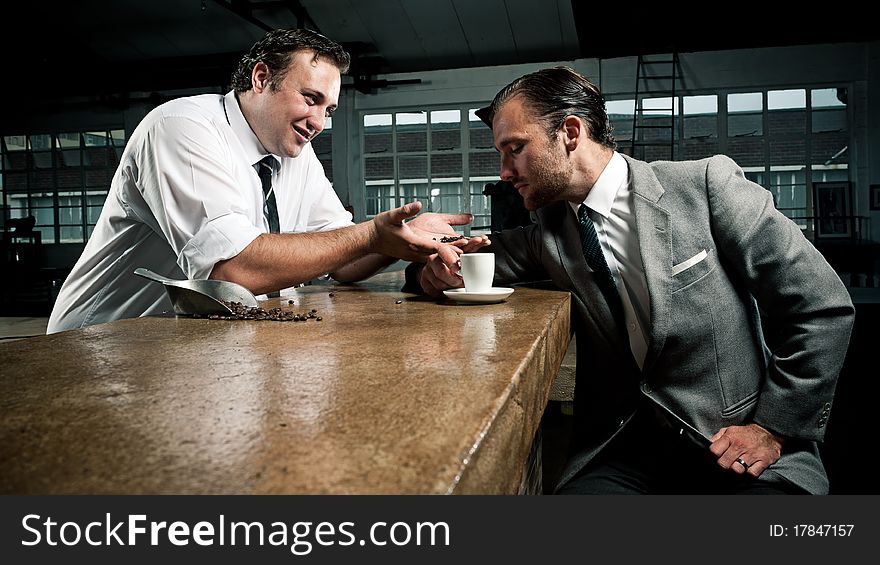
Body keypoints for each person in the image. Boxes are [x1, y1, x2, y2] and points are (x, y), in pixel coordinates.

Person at [410, 66, 855, 494]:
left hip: (736, 442)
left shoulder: (706, 187)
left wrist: (772, 427)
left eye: (514, 149)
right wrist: (428, 267)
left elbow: (821, 306)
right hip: (621, 450)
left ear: (569, 133)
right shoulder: (550, 230)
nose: (504, 172)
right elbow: (465, 257)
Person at [48, 29, 483, 333]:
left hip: (190, 341)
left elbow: (342, 255)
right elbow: (233, 268)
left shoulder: (295, 153)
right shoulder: (181, 127)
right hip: (101, 344)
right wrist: (367, 236)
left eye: (328, 110)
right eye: (310, 99)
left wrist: (398, 239)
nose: (319, 123)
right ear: (261, 79)